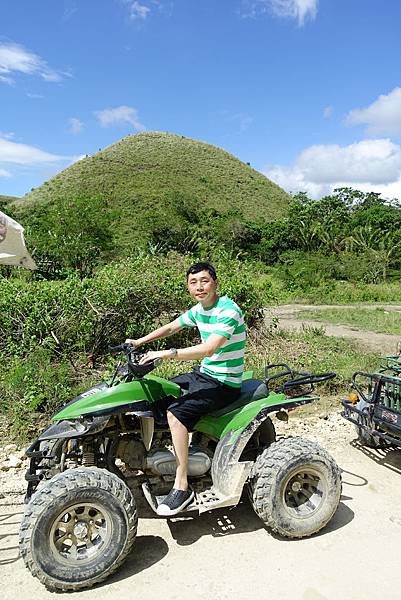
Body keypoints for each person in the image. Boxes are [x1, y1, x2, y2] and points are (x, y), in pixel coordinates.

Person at [125, 261, 246, 516]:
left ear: (215, 282)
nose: (199, 287)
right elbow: (171, 327)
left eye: (204, 281)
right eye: (193, 283)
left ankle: (182, 483)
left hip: (224, 383)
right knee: (154, 393)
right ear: (188, 287)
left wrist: (165, 353)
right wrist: (140, 342)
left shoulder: (228, 310)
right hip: (204, 374)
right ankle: (156, 458)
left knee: (175, 414)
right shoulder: (199, 309)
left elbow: (209, 349)